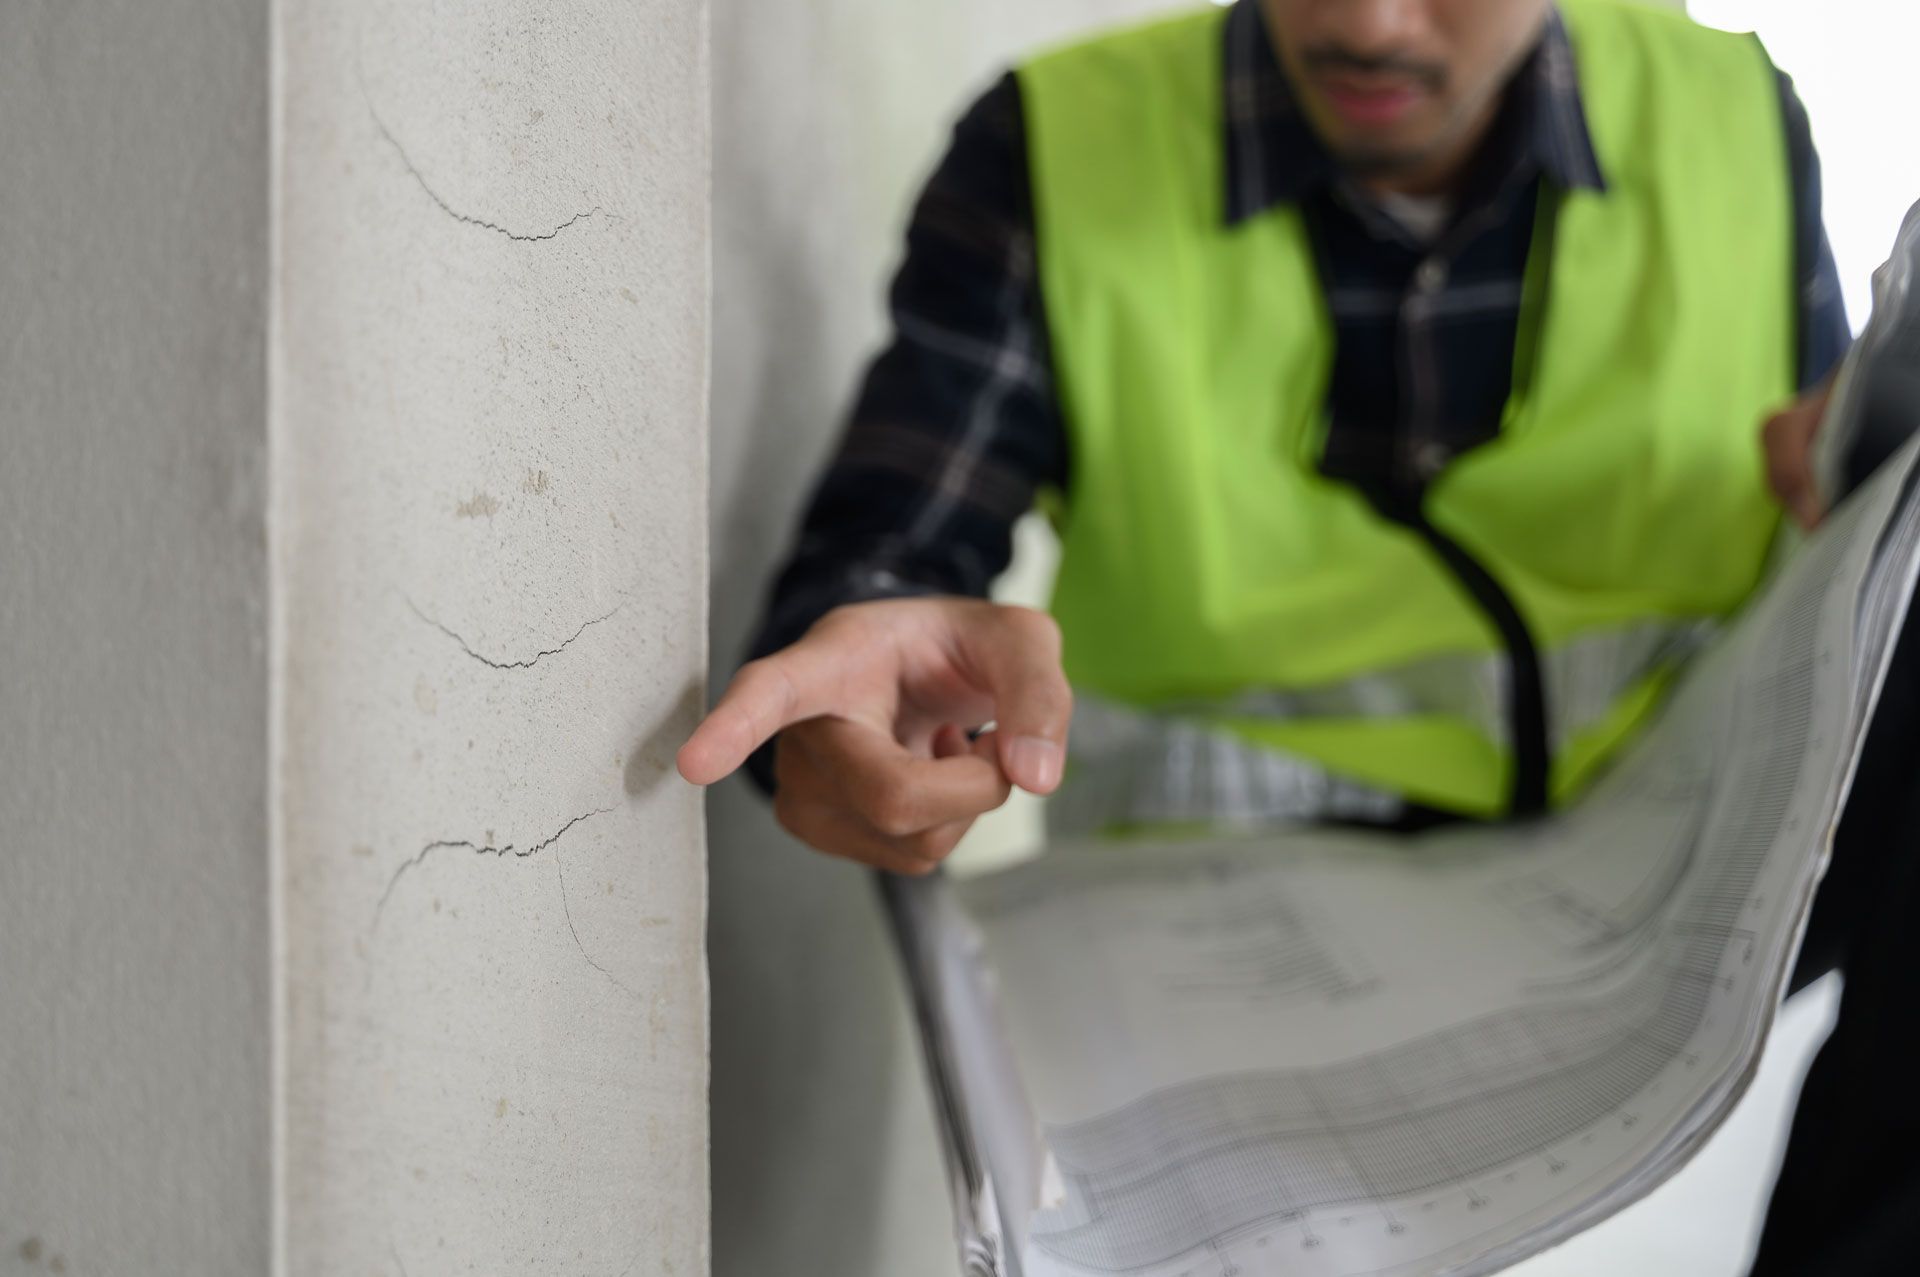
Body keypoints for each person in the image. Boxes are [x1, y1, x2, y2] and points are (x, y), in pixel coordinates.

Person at [680, 2, 1909, 1271]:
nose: (1367, 25)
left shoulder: (1732, 117)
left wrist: (1839, 467)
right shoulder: (1057, 146)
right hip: (1227, 926)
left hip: (1658, 850)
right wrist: (854, 690)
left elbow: (1814, 554)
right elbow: (879, 577)